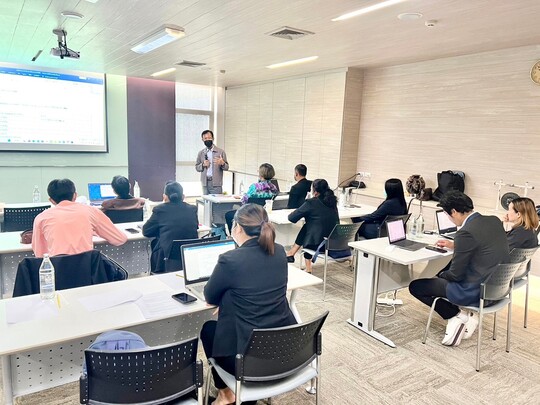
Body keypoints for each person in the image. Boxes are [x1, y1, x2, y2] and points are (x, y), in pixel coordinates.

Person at [201, 204, 296, 405]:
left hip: (248, 361)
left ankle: (226, 395)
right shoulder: (279, 251)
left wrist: (224, 300)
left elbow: (209, 296)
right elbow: (256, 286)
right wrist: (230, 299)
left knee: (208, 330)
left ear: (237, 227)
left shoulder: (230, 260)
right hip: (285, 352)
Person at [408, 191, 509, 347]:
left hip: (473, 291)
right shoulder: (493, 221)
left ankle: (455, 314)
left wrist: (441, 275)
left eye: (447, 215)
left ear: (454, 211)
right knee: (444, 270)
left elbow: (455, 275)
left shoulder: (465, 232)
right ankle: (466, 315)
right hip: (497, 288)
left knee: (416, 286)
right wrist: (456, 245)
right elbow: (484, 246)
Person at [32, 179, 127, 257]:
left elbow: (39, 254)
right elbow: (120, 239)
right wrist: (93, 231)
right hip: (87, 270)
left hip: (57, 271)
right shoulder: (91, 211)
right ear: (75, 195)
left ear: (51, 200)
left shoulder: (41, 218)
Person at [142, 181, 198, 273]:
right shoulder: (192, 209)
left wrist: (161, 231)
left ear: (165, 197)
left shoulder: (160, 210)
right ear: (183, 196)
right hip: (189, 255)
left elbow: (146, 231)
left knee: (156, 242)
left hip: (168, 258)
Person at [286, 179, 339, 273]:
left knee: (309, 228)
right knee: (310, 226)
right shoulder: (332, 202)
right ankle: (292, 254)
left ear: (315, 192)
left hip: (318, 245)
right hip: (333, 243)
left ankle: (303, 264)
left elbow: (292, 218)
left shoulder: (311, 203)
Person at [225, 163, 278, 233]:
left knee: (228, 214)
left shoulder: (255, 187)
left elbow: (244, 200)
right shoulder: (274, 187)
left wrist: (242, 196)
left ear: (261, 174)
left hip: (250, 214)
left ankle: (233, 235)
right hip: (262, 214)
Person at [195, 130, 229, 194]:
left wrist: (222, 163)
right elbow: (197, 167)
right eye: (205, 138)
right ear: (202, 140)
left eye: (209, 138)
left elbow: (227, 167)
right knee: (206, 200)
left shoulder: (221, 152)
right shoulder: (201, 153)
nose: (207, 140)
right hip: (205, 184)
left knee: (216, 200)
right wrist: (203, 165)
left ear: (213, 138)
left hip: (216, 184)